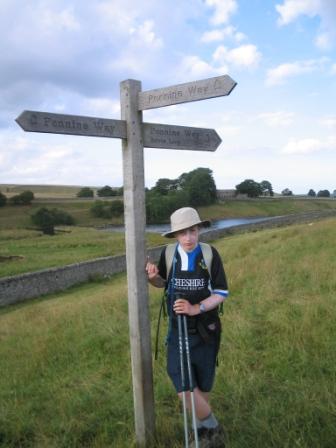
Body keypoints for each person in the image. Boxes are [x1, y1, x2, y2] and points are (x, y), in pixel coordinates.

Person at [146, 207, 229, 448]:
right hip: (177, 330)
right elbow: (163, 283)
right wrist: (152, 278)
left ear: (199, 229)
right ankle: (213, 428)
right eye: (182, 233)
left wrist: (196, 308)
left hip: (206, 329)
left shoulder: (210, 254)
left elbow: (222, 292)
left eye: (192, 231)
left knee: (201, 384)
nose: (188, 238)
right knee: (183, 384)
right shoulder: (169, 254)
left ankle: (202, 436)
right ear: (175, 235)